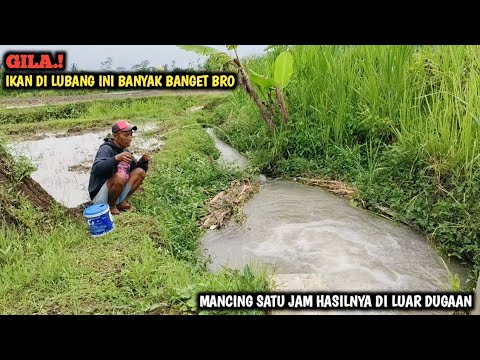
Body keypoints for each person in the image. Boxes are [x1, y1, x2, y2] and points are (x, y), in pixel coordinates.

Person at [88, 120, 150, 215]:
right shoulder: (106, 149)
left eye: (131, 135)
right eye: (126, 135)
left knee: (140, 172)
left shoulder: (125, 151)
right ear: (115, 136)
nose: (130, 138)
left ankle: (122, 202)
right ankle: (111, 207)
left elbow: (134, 168)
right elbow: (97, 169)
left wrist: (143, 162)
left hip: (115, 193)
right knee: (120, 177)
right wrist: (116, 159)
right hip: (100, 198)